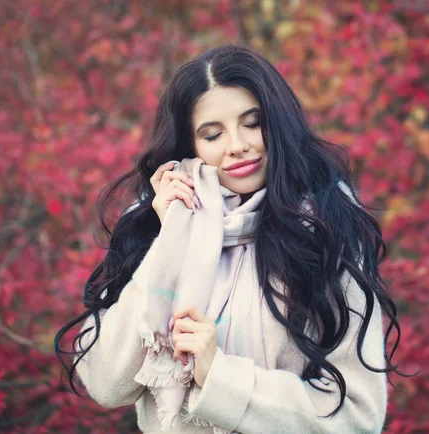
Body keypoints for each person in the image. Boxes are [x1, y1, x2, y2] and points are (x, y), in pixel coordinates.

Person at [55, 44, 407, 434]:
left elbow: (357, 419)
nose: (237, 145)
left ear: (279, 125)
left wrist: (220, 378)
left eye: (252, 123)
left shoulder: (326, 233)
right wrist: (170, 238)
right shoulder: (155, 227)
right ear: (191, 147)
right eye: (212, 134)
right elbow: (105, 384)